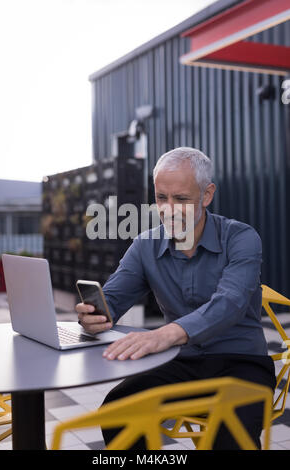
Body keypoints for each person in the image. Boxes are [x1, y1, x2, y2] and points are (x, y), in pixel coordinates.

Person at [76, 147, 276, 450]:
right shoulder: (145, 246)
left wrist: (168, 334)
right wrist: (95, 315)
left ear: (206, 195)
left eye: (181, 199)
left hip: (242, 363)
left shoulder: (241, 238)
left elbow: (231, 302)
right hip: (180, 362)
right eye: (161, 198)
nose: (168, 209)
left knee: (228, 435)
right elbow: (112, 300)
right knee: (118, 411)